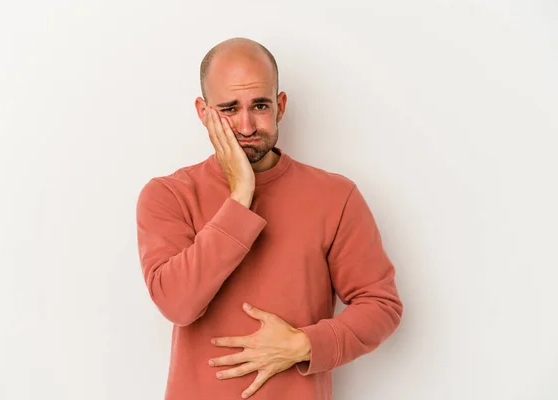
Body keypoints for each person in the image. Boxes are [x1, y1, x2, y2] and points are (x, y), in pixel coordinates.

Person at [135, 37, 403, 400]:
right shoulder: (168, 195)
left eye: (259, 105)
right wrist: (240, 195)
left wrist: (304, 344)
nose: (246, 126)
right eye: (229, 109)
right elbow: (178, 303)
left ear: (280, 105)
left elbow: (380, 306)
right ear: (203, 112)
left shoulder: (336, 196)